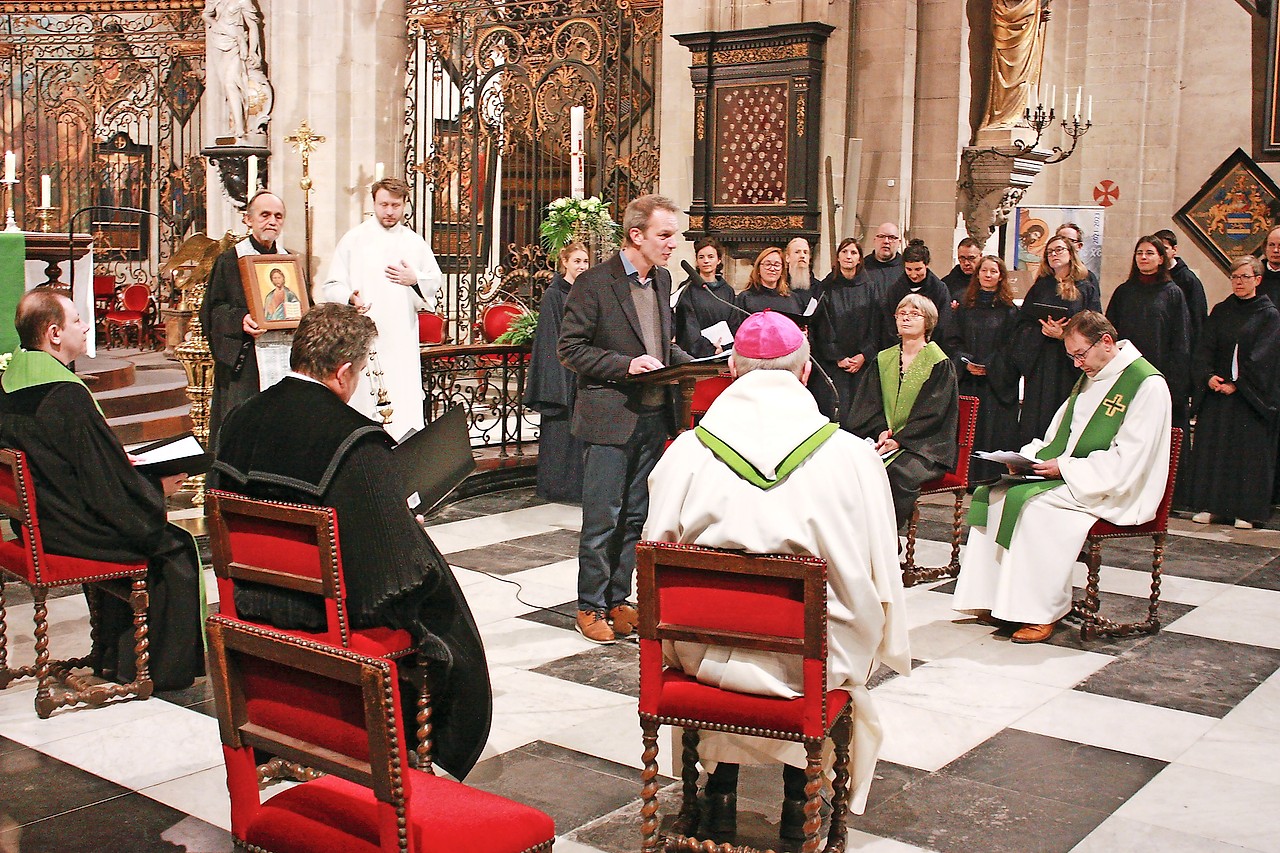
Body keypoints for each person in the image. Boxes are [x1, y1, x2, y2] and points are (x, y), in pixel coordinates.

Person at [644, 310, 909, 837]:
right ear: (805, 373)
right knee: (827, 635)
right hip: (814, 661)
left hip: (704, 659)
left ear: (734, 370)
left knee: (720, 636)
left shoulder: (687, 454)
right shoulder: (853, 457)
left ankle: (717, 796)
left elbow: (653, 556)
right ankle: (798, 805)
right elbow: (883, 574)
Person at [209, 303, 491, 780]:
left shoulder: (239, 419)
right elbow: (395, 573)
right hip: (323, 616)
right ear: (342, 372)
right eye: (360, 370)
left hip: (252, 605)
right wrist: (403, 526)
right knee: (442, 612)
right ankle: (421, 751)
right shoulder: (354, 441)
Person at [0, 289, 201, 690]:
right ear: (54, 333)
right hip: (66, 529)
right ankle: (147, 669)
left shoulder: (9, 384)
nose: (86, 326)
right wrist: (155, 485)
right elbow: (107, 488)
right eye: (77, 320)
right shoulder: (66, 395)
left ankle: (110, 652)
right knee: (171, 545)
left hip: (37, 522)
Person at [953, 311, 1172, 644]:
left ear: (1107, 343)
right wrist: (1031, 459)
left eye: (1080, 355)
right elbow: (1060, 435)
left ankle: (1040, 612)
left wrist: (1065, 469)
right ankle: (993, 600)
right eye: (1072, 357)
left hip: (1115, 486)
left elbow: (1129, 459)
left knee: (1034, 508)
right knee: (993, 494)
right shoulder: (1093, 374)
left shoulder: (1146, 384)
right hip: (1078, 474)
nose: (1076, 364)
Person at [558, 194, 693, 644]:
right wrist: (626, 365)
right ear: (636, 235)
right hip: (610, 418)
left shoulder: (661, 280)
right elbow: (571, 349)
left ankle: (619, 600)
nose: (674, 244)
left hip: (653, 418)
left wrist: (696, 363)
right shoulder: (595, 283)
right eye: (665, 235)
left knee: (636, 516)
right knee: (603, 517)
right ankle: (589, 606)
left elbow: (660, 344)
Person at [321, 177, 443, 440]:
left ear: (405, 205)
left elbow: (434, 281)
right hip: (362, 339)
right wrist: (348, 296)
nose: (389, 211)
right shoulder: (354, 239)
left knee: (402, 397)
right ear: (374, 203)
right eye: (384, 204)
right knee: (363, 397)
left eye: (395, 205)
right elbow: (331, 284)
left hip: (400, 339)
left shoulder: (414, 243)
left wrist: (415, 280)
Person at [1184, 256, 1280, 529]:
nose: (1238, 282)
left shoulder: (1268, 315)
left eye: (1245, 277)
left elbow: (1265, 357)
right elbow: (1205, 347)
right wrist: (1208, 376)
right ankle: (1212, 506)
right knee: (1214, 450)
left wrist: (1238, 383)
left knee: (1245, 455)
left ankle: (1246, 511)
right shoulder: (1221, 309)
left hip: (1248, 399)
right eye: (1234, 277)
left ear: (1258, 280)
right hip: (1217, 395)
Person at [849, 293, 959, 528]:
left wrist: (900, 440)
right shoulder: (883, 359)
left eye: (914, 314)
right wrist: (882, 431)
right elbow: (869, 404)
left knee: (897, 473)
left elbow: (934, 412)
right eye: (902, 314)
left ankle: (887, 538)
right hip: (886, 441)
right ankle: (859, 536)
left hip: (925, 446)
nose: (906, 318)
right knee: (854, 467)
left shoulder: (938, 362)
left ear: (927, 321)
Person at [199, 189, 287, 451]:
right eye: (265, 215)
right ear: (248, 220)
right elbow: (212, 310)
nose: (272, 221)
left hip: (283, 355)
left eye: (278, 216)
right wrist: (241, 319)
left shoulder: (287, 261)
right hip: (246, 361)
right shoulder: (229, 260)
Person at [1007, 231, 1102, 444]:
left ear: (1071, 253)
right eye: (1049, 252)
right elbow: (1023, 323)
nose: (1054, 255)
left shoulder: (1085, 286)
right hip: (1041, 361)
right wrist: (1041, 331)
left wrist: (1064, 335)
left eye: (1059, 250)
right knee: (1036, 420)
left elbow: (1095, 323)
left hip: (1070, 364)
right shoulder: (1041, 286)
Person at [523, 242, 590, 503]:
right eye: (577, 261)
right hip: (561, 373)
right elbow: (550, 335)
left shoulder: (585, 292)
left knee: (578, 434)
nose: (582, 266)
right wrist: (557, 377)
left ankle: (576, 486)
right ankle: (555, 486)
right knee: (560, 432)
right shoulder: (554, 294)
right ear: (565, 263)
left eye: (585, 261)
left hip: (581, 370)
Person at [946, 255, 1021, 483]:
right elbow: (952, 339)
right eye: (984, 271)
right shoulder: (963, 306)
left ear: (1001, 277)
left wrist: (990, 366)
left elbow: (1013, 347)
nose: (988, 275)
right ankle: (964, 478)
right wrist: (965, 361)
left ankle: (989, 477)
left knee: (992, 430)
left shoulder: (1010, 311)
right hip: (968, 379)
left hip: (996, 382)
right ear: (977, 274)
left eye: (993, 272)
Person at [1105, 236, 1191, 426]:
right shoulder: (1123, 292)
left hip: (1159, 371)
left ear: (1161, 259)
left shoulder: (1172, 293)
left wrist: (1175, 381)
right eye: (1139, 253)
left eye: (1149, 253)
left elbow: (1181, 340)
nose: (1143, 257)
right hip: (1125, 372)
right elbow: (1110, 332)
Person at [809, 237, 885, 423]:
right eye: (844, 252)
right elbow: (821, 326)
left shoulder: (871, 287)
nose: (848, 256)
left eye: (853, 252)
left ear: (859, 258)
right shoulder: (825, 288)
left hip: (862, 364)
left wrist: (864, 355)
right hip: (834, 364)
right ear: (838, 258)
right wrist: (837, 357)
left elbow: (877, 325)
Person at [879, 239, 954, 351]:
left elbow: (943, 325)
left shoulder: (939, 289)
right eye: (909, 269)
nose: (913, 275)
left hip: (930, 348)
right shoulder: (895, 290)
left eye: (918, 269)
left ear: (926, 264)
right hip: (900, 348)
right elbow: (889, 323)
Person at [674, 236, 739, 355]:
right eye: (701, 257)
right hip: (695, 355)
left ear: (719, 260)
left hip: (723, 353)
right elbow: (688, 327)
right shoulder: (687, 288)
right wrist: (710, 349)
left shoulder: (727, 290)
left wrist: (724, 348)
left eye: (710, 257)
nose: (706, 261)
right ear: (697, 261)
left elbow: (733, 323)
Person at [1153, 228, 1208, 351]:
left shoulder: (1188, 280)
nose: (1161, 253)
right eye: (1157, 250)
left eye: (1165, 248)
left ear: (1174, 250)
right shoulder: (1150, 277)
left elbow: (1197, 319)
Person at [735, 246, 810, 316]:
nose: (772, 268)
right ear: (758, 269)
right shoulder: (745, 298)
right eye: (767, 264)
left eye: (777, 265)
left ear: (782, 270)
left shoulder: (794, 299)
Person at [940, 237, 984, 306]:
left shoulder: (987, 280)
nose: (966, 263)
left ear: (980, 256)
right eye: (962, 258)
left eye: (971, 258)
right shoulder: (947, 283)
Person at [863, 222, 904, 290]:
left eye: (891, 237)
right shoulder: (862, 267)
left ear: (899, 242)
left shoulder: (907, 268)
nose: (886, 241)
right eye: (881, 236)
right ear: (874, 240)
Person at [784, 236, 821, 302]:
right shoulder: (779, 284)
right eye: (797, 252)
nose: (802, 256)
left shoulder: (819, 287)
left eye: (805, 252)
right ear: (787, 257)